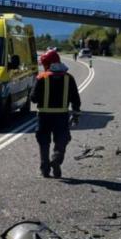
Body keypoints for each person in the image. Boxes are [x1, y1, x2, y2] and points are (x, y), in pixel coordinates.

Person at [32, 48, 81, 178]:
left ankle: (45, 169)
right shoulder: (69, 78)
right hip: (62, 116)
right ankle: (56, 159)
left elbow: (33, 98)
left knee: (43, 141)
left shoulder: (41, 78)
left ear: (47, 64)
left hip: (43, 116)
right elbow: (75, 99)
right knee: (62, 139)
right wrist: (75, 115)